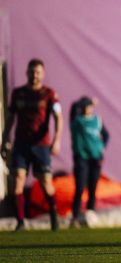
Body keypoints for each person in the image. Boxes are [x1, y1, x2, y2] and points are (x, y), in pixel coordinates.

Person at [1, 58, 63, 231]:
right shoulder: (18, 93)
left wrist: (56, 140)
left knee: (45, 183)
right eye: (32, 71)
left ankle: (53, 215)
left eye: (37, 72)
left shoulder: (49, 94)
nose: (34, 75)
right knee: (18, 180)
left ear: (42, 74)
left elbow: (59, 118)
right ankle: (20, 222)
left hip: (41, 145)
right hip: (21, 144)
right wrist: (5, 139)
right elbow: (11, 118)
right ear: (26, 73)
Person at [69, 96, 109, 228]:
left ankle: (89, 215)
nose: (89, 108)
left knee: (93, 187)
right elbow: (73, 109)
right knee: (80, 188)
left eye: (90, 106)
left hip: (95, 158)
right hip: (81, 158)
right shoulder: (77, 121)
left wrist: (102, 147)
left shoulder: (97, 120)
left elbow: (106, 135)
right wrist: (85, 101)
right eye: (87, 106)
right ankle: (75, 217)